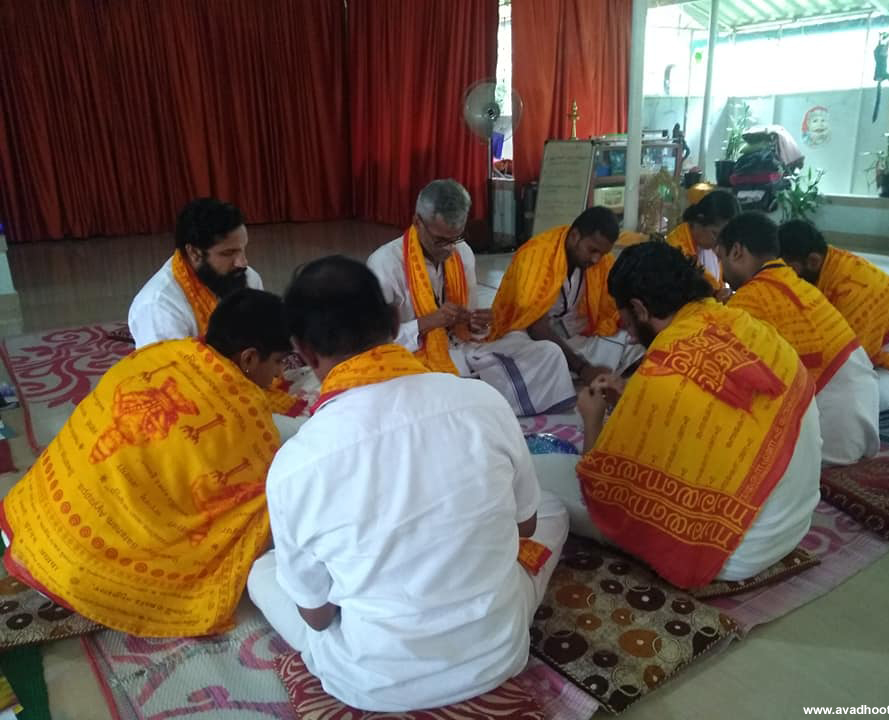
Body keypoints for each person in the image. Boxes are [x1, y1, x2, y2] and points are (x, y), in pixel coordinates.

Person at [247, 257, 569, 712]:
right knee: (551, 508)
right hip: (497, 653)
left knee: (264, 571)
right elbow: (526, 527)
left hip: (373, 681)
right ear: (395, 320)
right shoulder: (482, 401)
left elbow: (317, 618)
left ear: (303, 350)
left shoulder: (297, 463)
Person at [0, 289, 291, 637]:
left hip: (33, 522)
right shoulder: (241, 413)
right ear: (249, 358)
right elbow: (261, 487)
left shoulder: (163, 354)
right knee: (270, 502)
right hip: (85, 576)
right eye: (278, 362)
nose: (278, 375)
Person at [538, 243, 821, 590]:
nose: (628, 333)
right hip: (793, 525)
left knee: (536, 477)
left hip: (732, 554)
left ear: (640, 308)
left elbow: (601, 493)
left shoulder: (665, 363)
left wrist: (592, 419)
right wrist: (633, 399)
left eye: (626, 321)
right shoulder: (742, 323)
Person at [367, 179, 573, 416]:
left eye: (455, 238)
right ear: (417, 222)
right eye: (440, 241)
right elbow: (374, 344)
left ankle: (472, 403)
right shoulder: (385, 264)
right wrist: (428, 322)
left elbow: (469, 326)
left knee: (548, 353)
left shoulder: (462, 252)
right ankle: (477, 403)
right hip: (414, 359)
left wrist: (477, 324)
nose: (448, 249)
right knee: (405, 390)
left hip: (462, 350)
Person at [716, 212, 880, 465]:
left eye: (720, 257)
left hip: (830, 433)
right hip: (864, 418)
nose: (721, 270)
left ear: (737, 251)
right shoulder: (794, 282)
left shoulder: (749, 299)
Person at [128, 197, 304, 423]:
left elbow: (265, 337)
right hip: (192, 405)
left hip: (251, 383)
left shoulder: (246, 277)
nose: (242, 262)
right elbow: (173, 383)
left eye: (243, 249)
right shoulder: (159, 306)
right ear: (194, 253)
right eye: (228, 253)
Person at [778, 220, 889, 411]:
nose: (785, 278)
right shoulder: (824, 268)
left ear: (813, 261)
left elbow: (847, 361)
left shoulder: (857, 287)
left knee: (846, 402)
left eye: (790, 270)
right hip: (859, 360)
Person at [489, 206, 642, 384]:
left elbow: (612, 306)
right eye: (592, 250)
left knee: (634, 342)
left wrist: (635, 326)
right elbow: (535, 326)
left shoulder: (601, 260)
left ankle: (580, 374)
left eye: (602, 254)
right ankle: (574, 372)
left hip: (571, 332)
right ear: (575, 236)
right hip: (529, 336)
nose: (596, 259)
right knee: (548, 352)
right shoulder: (536, 254)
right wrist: (582, 368)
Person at [667, 190, 741, 293]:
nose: (718, 245)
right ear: (700, 219)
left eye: (723, 239)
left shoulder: (708, 245)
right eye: (715, 234)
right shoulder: (675, 250)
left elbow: (717, 283)